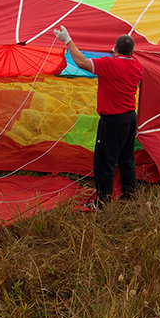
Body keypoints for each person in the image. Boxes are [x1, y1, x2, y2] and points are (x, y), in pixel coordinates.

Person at [53, 26, 142, 209]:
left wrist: (67, 40)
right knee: (126, 157)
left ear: (115, 49)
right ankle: (130, 193)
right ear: (132, 51)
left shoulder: (109, 64)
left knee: (105, 161)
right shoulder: (137, 66)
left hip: (113, 121)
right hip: (131, 118)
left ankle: (101, 203)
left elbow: (82, 63)